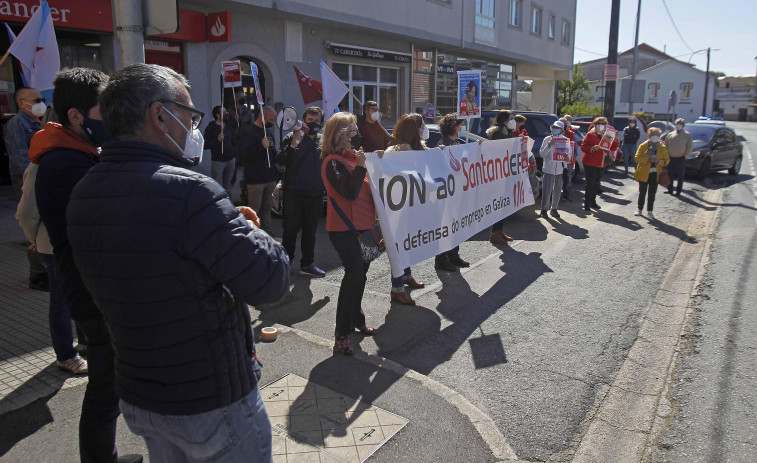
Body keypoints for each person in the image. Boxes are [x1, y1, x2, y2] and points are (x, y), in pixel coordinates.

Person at [66, 63, 290, 462]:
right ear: (159, 115)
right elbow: (271, 280)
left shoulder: (85, 189)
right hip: (210, 400)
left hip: (141, 394)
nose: (193, 126)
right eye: (188, 115)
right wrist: (250, 230)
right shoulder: (189, 192)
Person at [33, 68, 143, 463]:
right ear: (77, 116)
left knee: (107, 384)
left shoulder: (76, 154)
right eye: (104, 110)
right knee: (105, 387)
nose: (112, 120)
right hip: (92, 292)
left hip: (94, 289)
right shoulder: (66, 164)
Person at [16, 162, 88, 373]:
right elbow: (26, 212)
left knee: (82, 294)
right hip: (53, 243)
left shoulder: (85, 153)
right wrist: (34, 237)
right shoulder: (41, 163)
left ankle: (84, 341)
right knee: (62, 300)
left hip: (78, 241)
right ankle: (66, 355)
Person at [320, 112, 379, 355]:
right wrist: (363, 166)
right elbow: (349, 193)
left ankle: (356, 319)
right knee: (354, 275)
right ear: (340, 134)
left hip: (363, 227)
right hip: (344, 230)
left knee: (361, 277)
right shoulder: (332, 161)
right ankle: (341, 334)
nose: (356, 136)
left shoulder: (352, 159)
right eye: (352, 131)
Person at [4, 86, 47, 291]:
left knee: (41, 224)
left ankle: (43, 270)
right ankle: (38, 275)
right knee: (34, 225)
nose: (41, 103)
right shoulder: (17, 123)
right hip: (28, 180)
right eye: (36, 99)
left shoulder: (38, 123)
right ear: (22, 103)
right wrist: (26, 184)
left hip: (38, 179)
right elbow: (19, 156)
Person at [383, 113, 429, 305]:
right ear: (413, 129)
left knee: (408, 242)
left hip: (413, 203)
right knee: (398, 246)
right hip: (399, 206)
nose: (424, 128)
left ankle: (407, 275)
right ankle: (397, 288)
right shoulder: (396, 149)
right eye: (421, 124)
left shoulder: (416, 147)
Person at [276, 106, 327, 277]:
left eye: (316, 121)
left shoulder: (323, 141)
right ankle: (286, 261)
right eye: (310, 121)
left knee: (310, 231)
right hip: (294, 192)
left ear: (321, 122)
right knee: (290, 230)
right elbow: (281, 160)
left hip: (316, 193)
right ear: (304, 121)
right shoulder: (292, 137)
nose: (313, 124)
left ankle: (307, 264)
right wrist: (294, 144)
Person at [435, 113, 472, 271]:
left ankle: (454, 255)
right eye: (460, 124)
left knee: (456, 225)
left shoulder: (456, 142)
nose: (462, 127)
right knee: (447, 226)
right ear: (453, 126)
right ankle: (442, 259)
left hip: (456, 191)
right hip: (447, 192)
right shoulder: (443, 144)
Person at [241, 105, 279, 236]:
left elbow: (273, 154)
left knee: (267, 209)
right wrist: (261, 147)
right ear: (262, 117)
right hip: (256, 180)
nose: (272, 122)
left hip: (269, 178)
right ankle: (252, 235)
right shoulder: (249, 131)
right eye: (271, 119)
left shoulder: (268, 132)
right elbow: (245, 155)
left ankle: (268, 234)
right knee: (254, 211)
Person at [486, 110, 515, 244]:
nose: (513, 120)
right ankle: (494, 232)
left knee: (503, 203)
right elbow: (500, 151)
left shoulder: (506, 131)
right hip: (497, 173)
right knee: (498, 203)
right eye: (511, 118)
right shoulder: (499, 132)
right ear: (505, 119)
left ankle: (499, 230)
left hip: (504, 171)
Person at [580, 116, 619, 212]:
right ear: (595, 124)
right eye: (598, 123)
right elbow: (583, 146)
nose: (601, 125)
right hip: (590, 162)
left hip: (601, 163)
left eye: (603, 124)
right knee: (590, 183)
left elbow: (613, 148)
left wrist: (616, 139)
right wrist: (593, 148)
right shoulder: (590, 134)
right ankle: (587, 204)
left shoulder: (608, 135)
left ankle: (593, 202)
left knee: (596, 184)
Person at [633, 128, 670, 219]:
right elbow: (637, 158)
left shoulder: (662, 147)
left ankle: (650, 210)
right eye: (653, 135)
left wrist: (659, 161)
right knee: (642, 192)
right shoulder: (643, 146)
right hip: (644, 172)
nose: (655, 137)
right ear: (649, 136)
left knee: (652, 193)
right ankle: (639, 209)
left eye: (657, 135)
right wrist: (648, 159)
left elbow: (667, 160)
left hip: (656, 173)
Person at [538, 121, 569, 218]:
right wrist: (549, 145)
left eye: (558, 128)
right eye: (554, 127)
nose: (555, 129)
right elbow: (542, 154)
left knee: (557, 190)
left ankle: (554, 208)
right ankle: (544, 209)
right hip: (548, 168)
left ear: (562, 130)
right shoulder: (547, 139)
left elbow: (568, 156)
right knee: (547, 190)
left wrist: (567, 161)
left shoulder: (565, 140)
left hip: (560, 169)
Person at [204, 105, 238, 192]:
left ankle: (228, 204)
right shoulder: (211, 127)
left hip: (230, 160)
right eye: (223, 112)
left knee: (228, 186)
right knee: (217, 186)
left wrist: (234, 156)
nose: (226, 114)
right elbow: (205, 144)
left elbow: (234, 142)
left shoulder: (228, 127)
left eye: (226, 111)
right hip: (218, 161)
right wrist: (217, 140)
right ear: (218, 115)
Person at [663, 118, 692, 196]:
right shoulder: (670, 134)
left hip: (681, 158)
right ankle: (670, 189)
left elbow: (689, 146)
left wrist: (685, 156)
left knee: (680, 176)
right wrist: (666, 156)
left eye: (680, 124)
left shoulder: (687, 135)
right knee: (670, 174)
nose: (678, 125)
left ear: (683, 125)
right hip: (671, 158)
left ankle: (678, 191)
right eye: (677, 124)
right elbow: (666, 145)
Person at [560, 116, 576, 202]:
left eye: (565, 124)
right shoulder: (553, 135)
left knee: (568, 179)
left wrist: (573, 157)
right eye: (562, 124)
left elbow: (575, 146)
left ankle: (567, 196)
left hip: (568, 160)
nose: (564, 125)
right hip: (558, 161)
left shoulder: (571, 133)